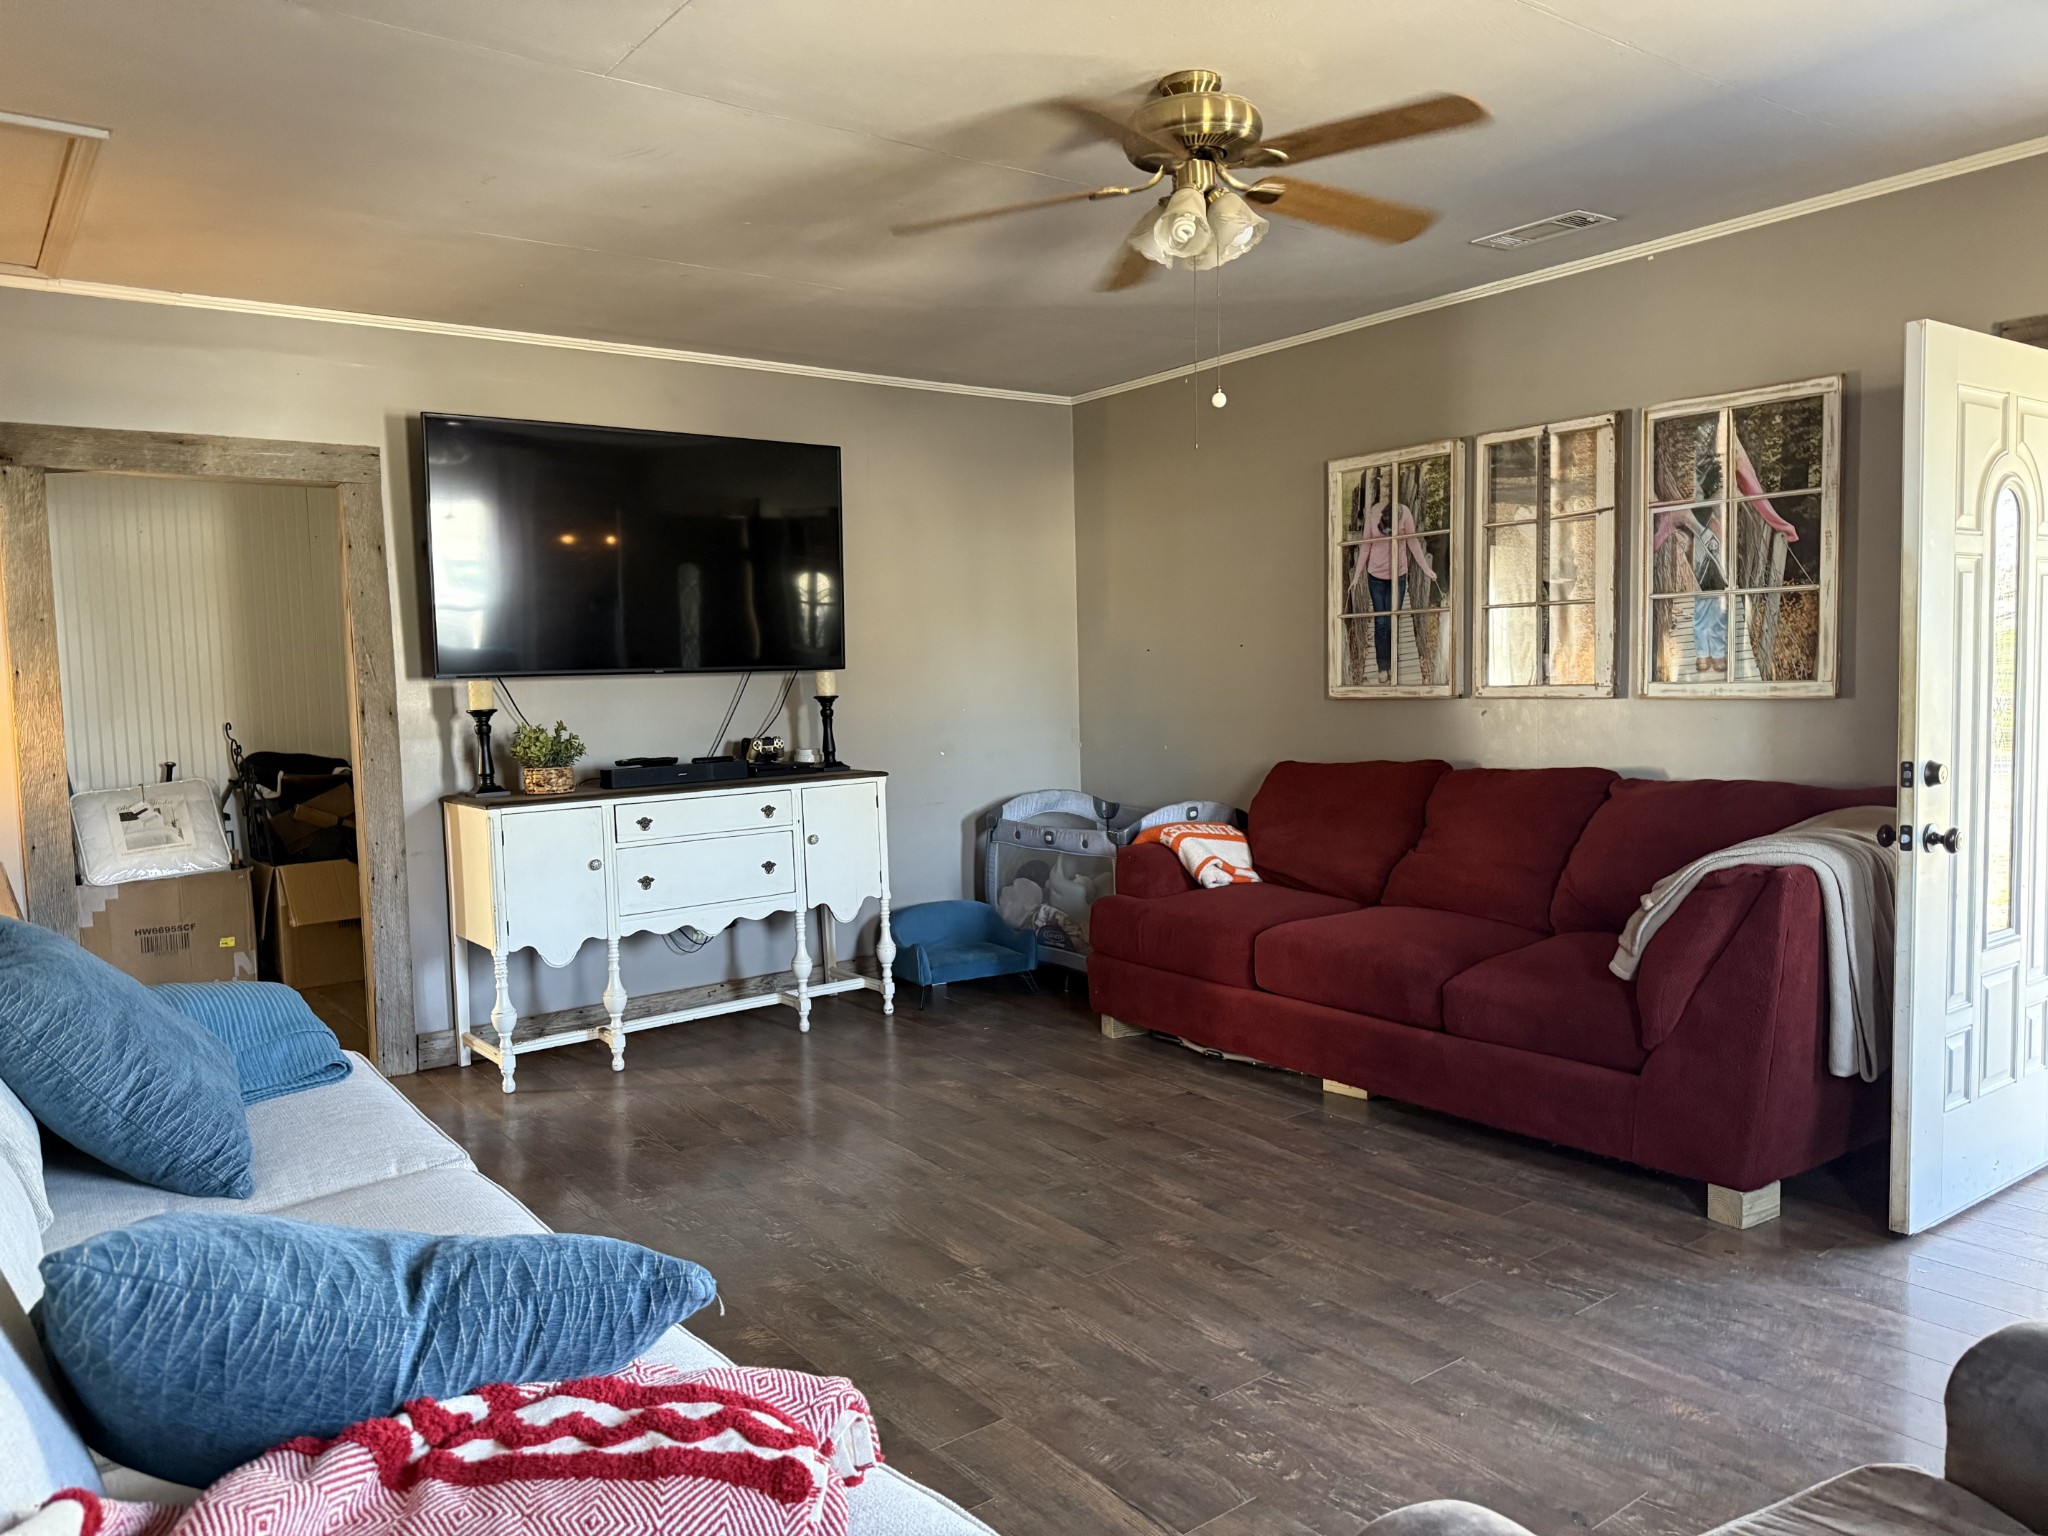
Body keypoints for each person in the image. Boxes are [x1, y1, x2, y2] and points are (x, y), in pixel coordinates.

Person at [1348, 472, 1438, 684]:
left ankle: (1392, 662)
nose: (1387, 489)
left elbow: (1413, 542)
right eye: (1384, 485)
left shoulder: (1404, 512)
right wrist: (1357, 575)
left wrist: (1425, 569)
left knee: (1392, 620)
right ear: (1379, 488)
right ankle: (1383, 667)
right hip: (1375, 577)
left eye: (1390, 485)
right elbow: (1366, 545)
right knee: (1381, 622)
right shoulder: (1372, 513)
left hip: (1398, 575)